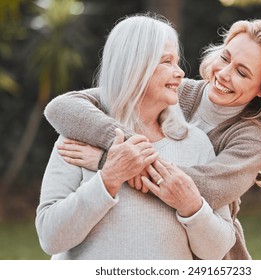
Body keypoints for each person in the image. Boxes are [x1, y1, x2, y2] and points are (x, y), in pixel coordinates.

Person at [43, 19, 261, 259]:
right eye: (225, 57)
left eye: (242, 73)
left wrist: (109, 162)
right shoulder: (174, 90)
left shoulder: (253, 137)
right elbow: (64, 107)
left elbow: (204, 188)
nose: (223, 73)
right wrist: (125, 147)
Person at [35, 14, 236, 260]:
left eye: (177, 61)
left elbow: (218, 250)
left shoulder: (195, 143)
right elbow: (50, 237)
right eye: (167, 61)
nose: (181, 72)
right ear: (134, 66)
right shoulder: (79, 135)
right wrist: (109, 178)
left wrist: (191, 206)